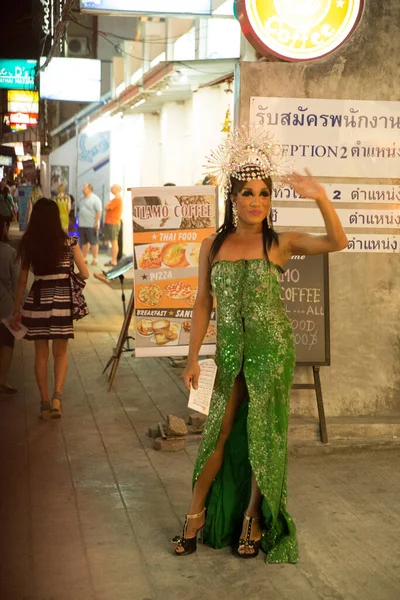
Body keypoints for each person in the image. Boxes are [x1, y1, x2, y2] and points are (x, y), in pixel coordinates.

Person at [172, 129, 348, 562]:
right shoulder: (212, 244)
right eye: (248, 193)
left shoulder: (280, 243)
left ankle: (253, 517)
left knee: (261, 437)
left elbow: (337, 242)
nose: (256, 201)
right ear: (233, 199)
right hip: (228, 353)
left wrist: (320, 196)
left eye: (264, 194)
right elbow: (201, 304)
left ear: (271, 201)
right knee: (218, 433)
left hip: (272, 352)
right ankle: (195, 514)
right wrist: (193, 357)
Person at [12, 198, 89, 420]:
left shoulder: (30, 244)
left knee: (41, 355)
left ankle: (44, 402)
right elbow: (85, 274)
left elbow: (22, 279)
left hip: (37, 300)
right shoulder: (69, 242)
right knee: (61, 353)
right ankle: (57, 397)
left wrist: (17, 307)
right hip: (62, 301)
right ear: (56, 218)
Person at [0, 221, 18, 394]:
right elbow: (16, 282)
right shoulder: (9, 252)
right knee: (6, 343)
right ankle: (2, 380)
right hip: (4, 305)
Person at [77, 183, 102, 266]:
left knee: (93, 242)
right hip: (82, 224)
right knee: (84, 242)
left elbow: (99, 211)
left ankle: (95, 259)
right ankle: (85, 258)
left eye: (84, 188)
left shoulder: (95, 199)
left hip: (91, 225)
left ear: (89, 189)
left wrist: (96, 222)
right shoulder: (81, 199)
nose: (82, 189)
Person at [103, 184, 123, 267]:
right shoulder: (115, 199)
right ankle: (113, 260)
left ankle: (114, 261)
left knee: (114, 242)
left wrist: (107, 206)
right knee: (113, 241)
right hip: (111, 222)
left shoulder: (117, 199)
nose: (111, 188)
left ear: (117, 189)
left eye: (113, 187)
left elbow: (107, 207)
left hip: (113, 222)